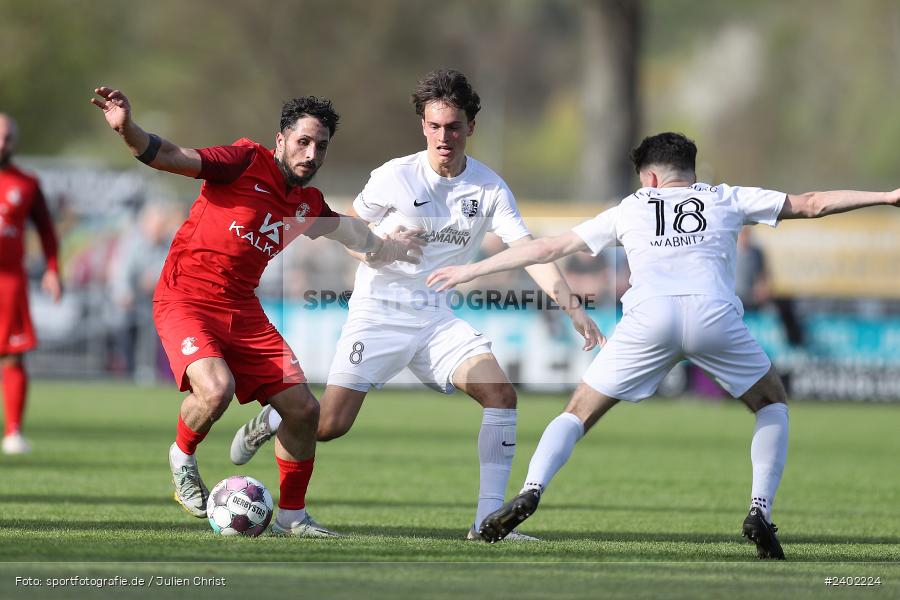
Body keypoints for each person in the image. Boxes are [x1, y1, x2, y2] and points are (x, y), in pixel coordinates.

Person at [427, 132, 900, 559]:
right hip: (714, 315)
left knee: (577, 412)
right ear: (690, 170)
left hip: (648, 319)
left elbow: (549, 248)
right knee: (771, 402)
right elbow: (812, 202)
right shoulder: (727, 198)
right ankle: (759, 509)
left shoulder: (631, 207)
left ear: (650, 177)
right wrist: (886, 195)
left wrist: (470, 270)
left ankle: (531, 490)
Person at [229, 69, 602, 540]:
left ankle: (489, 524)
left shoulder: (489, 188)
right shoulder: (395, 176)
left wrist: (571, 306)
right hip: (378, 313)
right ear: (423, 126)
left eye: (454, 127)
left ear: (471, 127)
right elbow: (347, 233)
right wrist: (380, 244)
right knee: (326, 426)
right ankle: (278, 416)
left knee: (501, 394)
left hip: (436, 320)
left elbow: (527, 251)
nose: (444, 137)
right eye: (435, 126)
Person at [90, 86, 423, 536]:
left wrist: (389, 246)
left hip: (242, 309)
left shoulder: (305, 204)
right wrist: (129, 129)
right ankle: (182, 458)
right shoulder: (245, 160)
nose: (311, 153)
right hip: (185, 296)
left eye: (321, 146)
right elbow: (171, 155)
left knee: (304, 411)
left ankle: (292, 518)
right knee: (216, 389)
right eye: (303, 142)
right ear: (280, 139)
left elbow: (349, 233)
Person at [0, 113, 63, 455]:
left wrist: (53, 268)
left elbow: (47, 231)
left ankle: (13, 432)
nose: (1, 143)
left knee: (13, 356)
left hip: (9, 281)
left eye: (7, 137)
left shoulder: (26, 183)